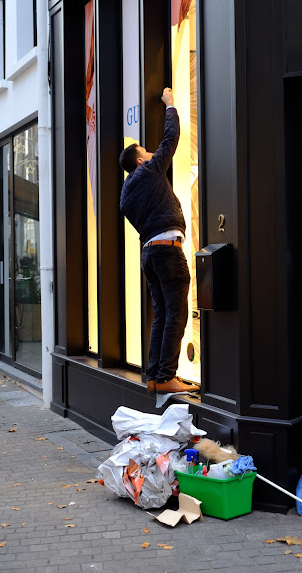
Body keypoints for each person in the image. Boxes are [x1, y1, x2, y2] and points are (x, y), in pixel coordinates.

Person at [119, 88, 199, 395]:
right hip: (167, 252)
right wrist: (170, 106)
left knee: (161, 315)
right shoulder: (149, 172)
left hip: (149, 254)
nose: (154, 154)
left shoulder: (126, 194)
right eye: (148, 153)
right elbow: (171, 140)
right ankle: (166, 377)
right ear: (141, 161)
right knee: (176, 313)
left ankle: (154, 376)